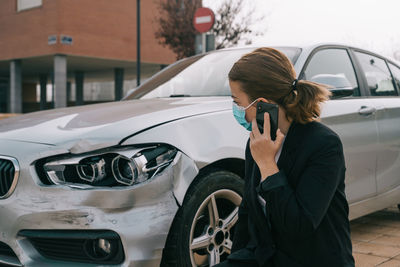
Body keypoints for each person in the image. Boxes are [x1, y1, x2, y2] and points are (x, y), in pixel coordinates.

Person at [214, 47, 355, 267]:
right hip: (267, 257)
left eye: (238, 102)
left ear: (261, 103)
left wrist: (268, 164)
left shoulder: (324, 145)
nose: (236, 109)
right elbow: (249, 214)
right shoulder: (258, 140)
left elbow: (299, 226)